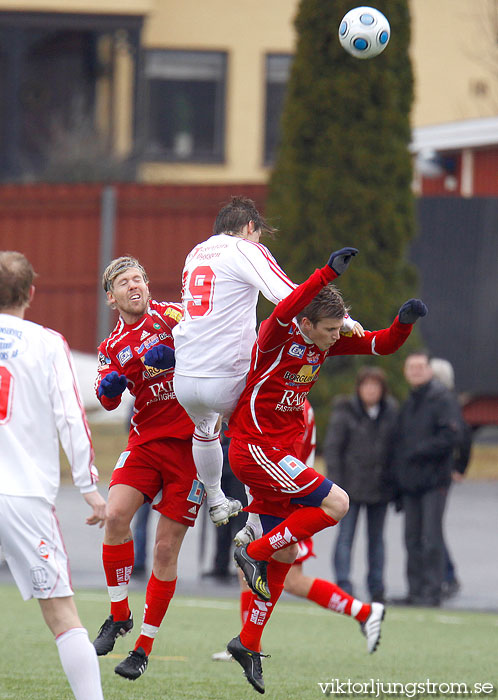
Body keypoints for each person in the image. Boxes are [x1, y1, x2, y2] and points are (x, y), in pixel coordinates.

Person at [223, 247, 427, 693]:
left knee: (288, 556)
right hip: (254, 448)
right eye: (330, 329)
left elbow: (382, 343)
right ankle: (252, 552)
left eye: (339, 328)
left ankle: (248, 641)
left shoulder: (325, 342)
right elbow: (289, 304)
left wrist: (404, 322)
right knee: (338, 502)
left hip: (277, 452)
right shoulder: (276, 336)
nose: (337, 337)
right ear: (306, 324)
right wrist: (326, 273)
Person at [172, 196, 359, 527]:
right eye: (259, 235)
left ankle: (215, 499)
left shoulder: (196, 252)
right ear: (249, 228)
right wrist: (340, 318)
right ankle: (256, 522)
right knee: (257, 435)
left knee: (205, 430)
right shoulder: (243, 248)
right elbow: (285, 295)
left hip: (185, 375)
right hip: (224, 374)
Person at [0, 251, 106, 700]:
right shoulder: (46, 343)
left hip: (20, 492)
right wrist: (89, 487)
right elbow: (71, 417)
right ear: (32, 293)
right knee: (62, 615)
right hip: (22, 495)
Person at [92, 255, 203, 681]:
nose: (133, 285)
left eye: (138, 278)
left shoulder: (171, 315)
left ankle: (143, 647)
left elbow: (203, 336)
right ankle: (119, 615)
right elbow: (107, 399)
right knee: (115, 515)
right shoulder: (110, 346)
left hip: (192, 447)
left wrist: (175, 348)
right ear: (111, 297)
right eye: (124, 281)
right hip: (145, 442)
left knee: (163, 550)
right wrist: (111, 385)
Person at [212, 399, 385, 663]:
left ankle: (363, 612)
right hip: (286, 493)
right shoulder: (285, 398)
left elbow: (285, 458)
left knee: (290, 578)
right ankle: (246, 642)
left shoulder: (290, 404)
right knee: (248, 571)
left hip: (292, 501)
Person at [390, 351, 459, 607]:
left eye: (420, 367)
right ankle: (415, 591)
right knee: (412, 538)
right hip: (411, 484)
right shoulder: (410, 403)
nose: (416, 371)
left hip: (434, 481)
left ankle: (433, 591)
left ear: (430, 370)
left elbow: (452, 436)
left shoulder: (442, 399)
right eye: (411, 367)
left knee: (431, 537)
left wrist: (419, 449)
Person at [324, 366, 398, 603]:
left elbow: (396, 450)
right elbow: (333, 451)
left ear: (382, 390)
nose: (371, 390)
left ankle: (377, 587)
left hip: (380, 488)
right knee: (346, 537)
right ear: (359, 388)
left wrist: (394, 483)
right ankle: (343, 584)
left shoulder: (390, 412)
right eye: (366, 385)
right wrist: (336, 488)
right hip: (349, 489)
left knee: (376, 540)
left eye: (375, 386)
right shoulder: (345, 412)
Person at [429, 357, 473, 599]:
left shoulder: (445, 402)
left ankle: (447, 575)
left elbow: (463, 437)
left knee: (433, 528)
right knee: (433, 527)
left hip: (439, 474)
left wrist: (460, 467)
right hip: (436, 473)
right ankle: (444, 574)